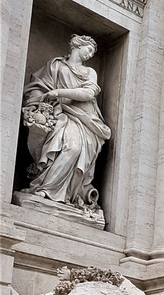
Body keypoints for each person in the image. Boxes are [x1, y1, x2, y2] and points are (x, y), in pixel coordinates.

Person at [21, 34, 111, 210]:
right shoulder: (55, 66)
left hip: (85, 119)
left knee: (75, 147)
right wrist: (38, 104)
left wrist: (58, 92)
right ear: (78, 45)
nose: (91, 55)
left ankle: (60, 193)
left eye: (93, 53)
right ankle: (47, 189)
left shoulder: (89, 72)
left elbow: (88, 94)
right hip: (59, 113)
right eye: (89, 49)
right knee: (64, 145)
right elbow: (39, 87)